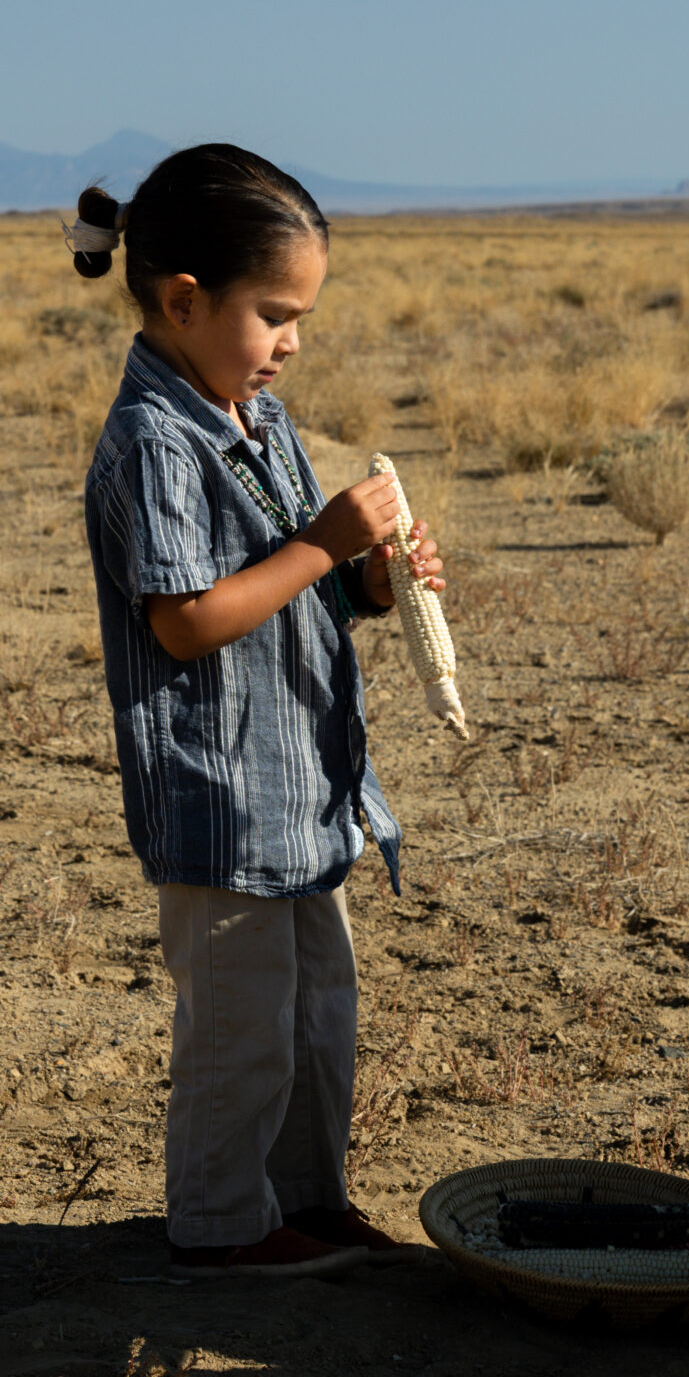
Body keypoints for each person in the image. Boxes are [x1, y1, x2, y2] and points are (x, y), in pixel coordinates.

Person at [76, 144, 441, 1281]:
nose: (291, 343)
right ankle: (223, 1222)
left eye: (301, 320)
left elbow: (293, 586)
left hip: (301, 788)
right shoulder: (155, 443)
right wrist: (325, 541)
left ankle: (305, 1201)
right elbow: (186, 621)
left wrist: (369, 579)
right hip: (223, 795)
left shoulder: (257, 418)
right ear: (185, 301)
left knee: (315, 1016)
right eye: (274, 316)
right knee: (239, 1027)